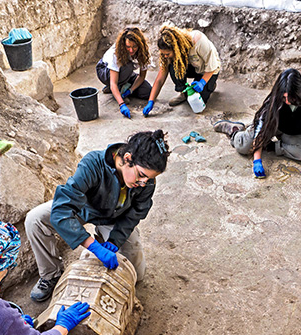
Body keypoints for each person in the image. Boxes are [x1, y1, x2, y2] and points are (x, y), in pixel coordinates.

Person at [25, 130, 170, 302]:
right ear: (127, 158)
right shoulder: (93, 163)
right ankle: (51, 274)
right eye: (141, 175)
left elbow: (134, 214)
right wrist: (93, 247)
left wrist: (115, 240)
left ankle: (105, 236)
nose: (143, 183)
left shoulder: (146, 181)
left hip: (116, 218)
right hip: (84, 209)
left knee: (137, 274)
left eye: (149, 179)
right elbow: (62, 209)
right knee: (35, 219)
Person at [213, 68, 301, 178]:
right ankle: (234, 130)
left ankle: (270, 146)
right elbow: (262, 130)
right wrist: (257, 161)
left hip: (293, 132)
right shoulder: (275, 99)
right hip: (272, 126)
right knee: (243, 147)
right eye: (283, 97)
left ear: (299, 93)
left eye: (290, 98)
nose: (286, 102)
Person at [142, 25, 220, 116]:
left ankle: (211, 84)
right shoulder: (167, 54)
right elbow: (160, 79)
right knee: (173, 66)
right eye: (163, 54)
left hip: (209, 70)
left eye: (167, 54)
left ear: (176, 48)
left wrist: (202, 82)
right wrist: (151, 101)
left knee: (199, 100)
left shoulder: (198, 40)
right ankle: (183, 93)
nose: (165, 56)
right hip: (193, 67)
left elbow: (213, 66)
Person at [96, 27, 152, 119]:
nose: (131, 50)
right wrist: (121, 104)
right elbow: (113, 82)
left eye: (134, 47)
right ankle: (117, 90)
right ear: (123, 45)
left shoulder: (143, 51)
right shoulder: (116, 53)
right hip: (105, 71)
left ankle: (122, 88)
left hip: (125, 73)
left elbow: (142, 76)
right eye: (128, 47)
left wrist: (131, 90)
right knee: (128, 66)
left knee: (147, 91)